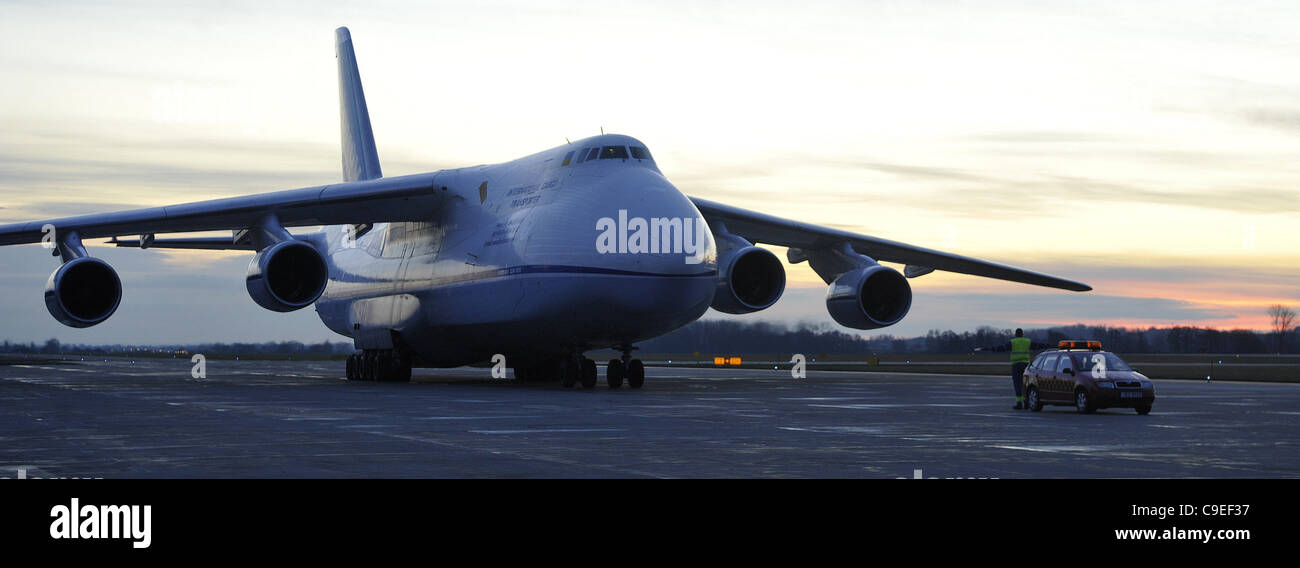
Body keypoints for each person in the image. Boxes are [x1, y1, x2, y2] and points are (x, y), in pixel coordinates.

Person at [975, 329, 1051, 409]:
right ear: (1022, 334)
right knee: (1025, 384)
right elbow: (1038, 346)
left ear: (1015, 334)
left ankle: (1019, 403)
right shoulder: (1027, 341)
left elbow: (1002, 348)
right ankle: (1026, 402)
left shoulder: (1013, 342)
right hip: (1025, 365)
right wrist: (1049, 345)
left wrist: (989, 349)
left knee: (1017, 384)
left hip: (1016, 365)